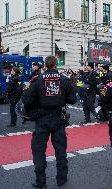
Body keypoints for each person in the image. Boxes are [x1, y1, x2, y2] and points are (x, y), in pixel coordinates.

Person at [21, 56, 77, 188]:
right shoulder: (64, 79)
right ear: (56, 65)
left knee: (39, 151)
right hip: (59, 119)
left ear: (45, 65)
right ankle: (61, 179)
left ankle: (41, 182)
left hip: (42, 119)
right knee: (61, 150)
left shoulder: (37, 80)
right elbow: (73, 99)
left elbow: (26, 101)